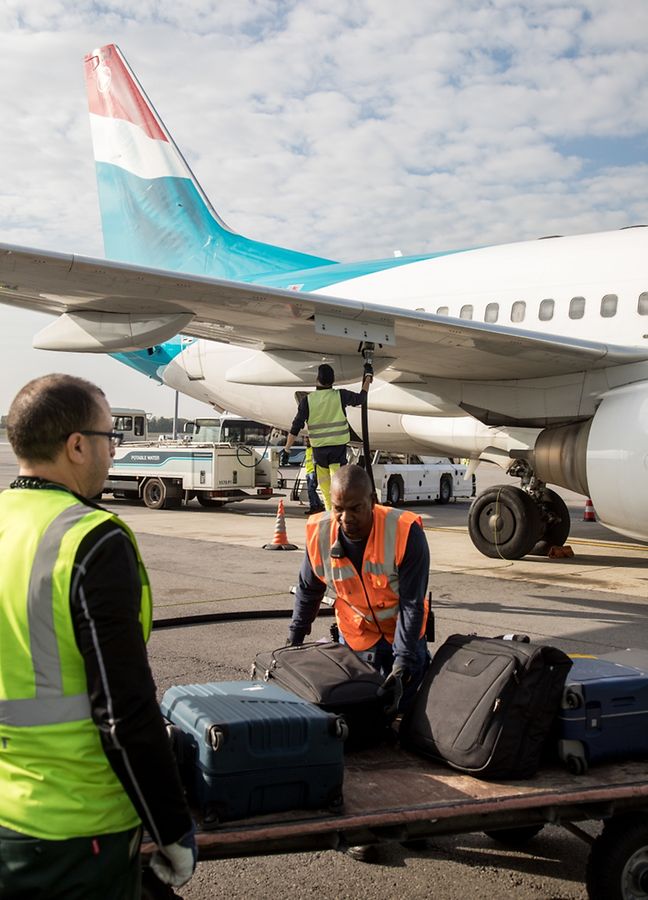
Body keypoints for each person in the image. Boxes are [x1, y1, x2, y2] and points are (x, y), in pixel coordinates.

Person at [0, 374, 196, 899]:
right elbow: (123, 711)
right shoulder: (90, 538)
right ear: (77, 445)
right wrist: (171, 828)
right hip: (78, 830)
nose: (115, 451)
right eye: (111, 438)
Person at [287, 464, 431, 710]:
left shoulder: (405, 532)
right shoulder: (319, 534)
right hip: (357, 636)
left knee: (403, 711)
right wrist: (294, 642)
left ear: (373, 500)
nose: (346, 518)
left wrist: (402, 665)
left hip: (403, 632)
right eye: (338, 509)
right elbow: (309, 590)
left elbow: (411, 604)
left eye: (355, 509)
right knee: (359, 711)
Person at [282, 362, 373, 511]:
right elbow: (361, 399)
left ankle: (331, 516)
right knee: (340, 486)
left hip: (319, 452)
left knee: (325, 489)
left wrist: (286, 450)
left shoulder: (308, 401)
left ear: (317, 379)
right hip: (338, 450)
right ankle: (340, 517)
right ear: (333, 380)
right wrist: (368, 377)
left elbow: (295, 427)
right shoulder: (340, 395)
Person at [303, 437, 325, 515]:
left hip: (313, 472)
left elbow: (315, 462)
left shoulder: (313, 449)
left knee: (311, 490)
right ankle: (319, 505)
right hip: (309, 472)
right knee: (312, 490)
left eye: (307, 441)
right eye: (305, 441)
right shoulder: (308, 450)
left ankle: (314, 506)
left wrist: (315, 473)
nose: (306, 442)